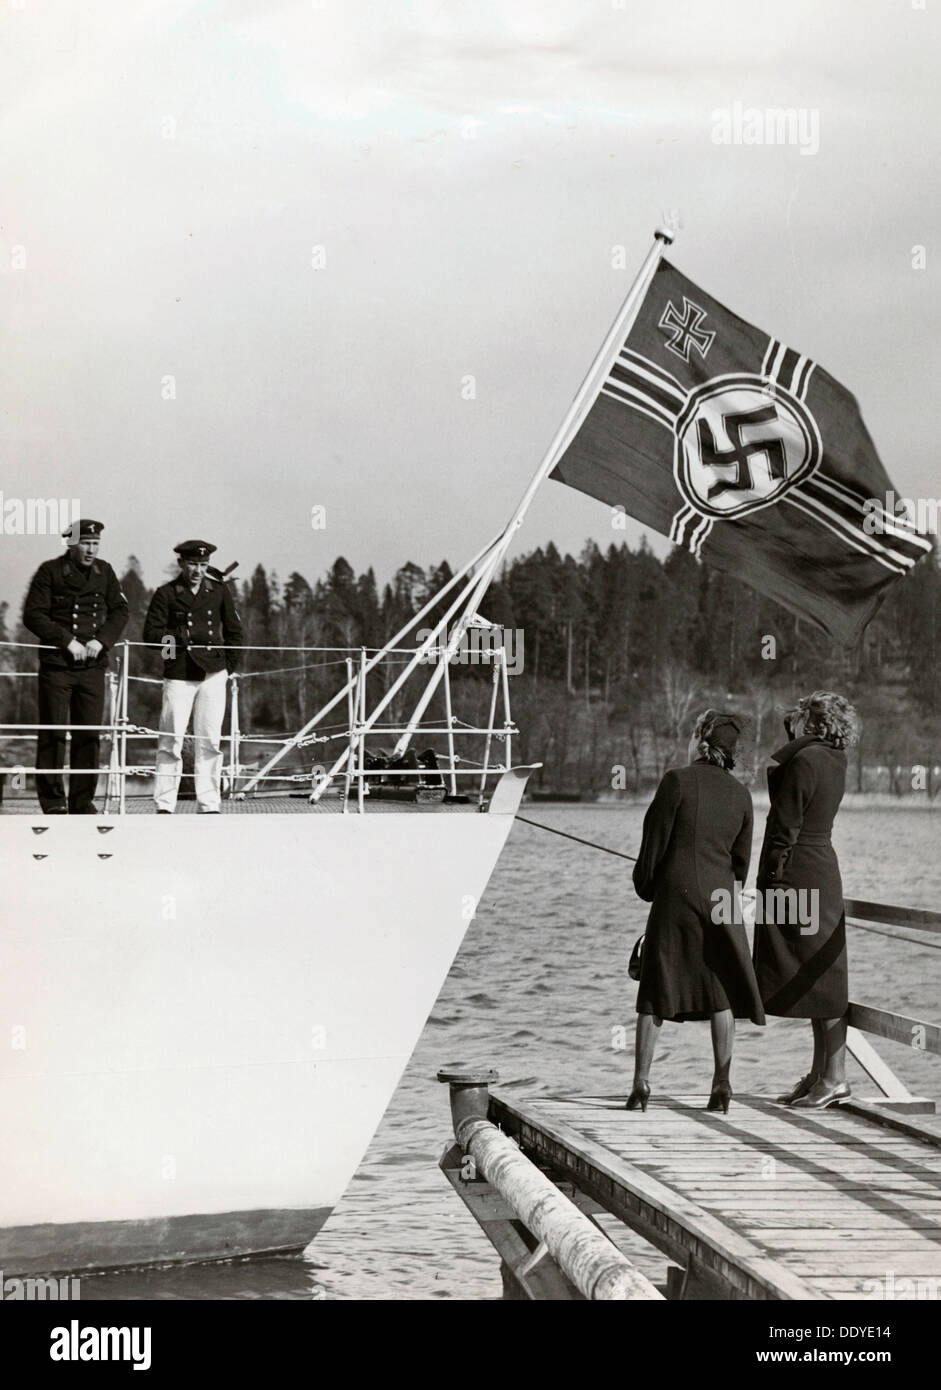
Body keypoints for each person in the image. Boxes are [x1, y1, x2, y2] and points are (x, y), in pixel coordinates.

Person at [628, 711, 765, 1114]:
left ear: (700, 741)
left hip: (676, 897)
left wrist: (648, 887)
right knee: (720, 991)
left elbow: (652, 848)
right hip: (721, 898)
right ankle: (722, 1085)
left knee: (655, 990)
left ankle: (640, 1086)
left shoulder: (676, 781)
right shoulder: (741, 796)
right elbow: (741, 863)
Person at [753, 690, 859, 1110]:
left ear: (811, 721)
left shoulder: (806, 760)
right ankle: (821, 1075)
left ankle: (835, 1077)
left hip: (798, 871)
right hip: (821, 868)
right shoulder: (835, 758)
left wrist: (773, 880)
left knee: (823, 978)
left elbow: (785, 824)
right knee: (818, 973)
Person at [22, 519, 129, 814]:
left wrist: (102, 641)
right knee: (53, 732)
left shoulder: (104, 572)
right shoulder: (50, 572)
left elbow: (120, 611)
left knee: (88, 733)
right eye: (86, 543)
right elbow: (33, 615)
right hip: (58, 665)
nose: (91, 550)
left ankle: (82, 802)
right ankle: (53, 801)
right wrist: (66, 641)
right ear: (71, 544)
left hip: (92, 667)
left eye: (95, 544)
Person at [143, 540, 242, 814]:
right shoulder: (166, 594)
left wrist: (227, 669)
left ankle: (209, 804)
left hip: (213, 673)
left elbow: (235, 632)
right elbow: (151, 637)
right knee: (171, 740)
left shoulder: (218, 591)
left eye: (203, 564)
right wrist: (179, 640)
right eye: (193, 564)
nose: (198, 570)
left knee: (210, 741)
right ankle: (164, 804)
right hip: (179, 673)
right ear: (181, 564)